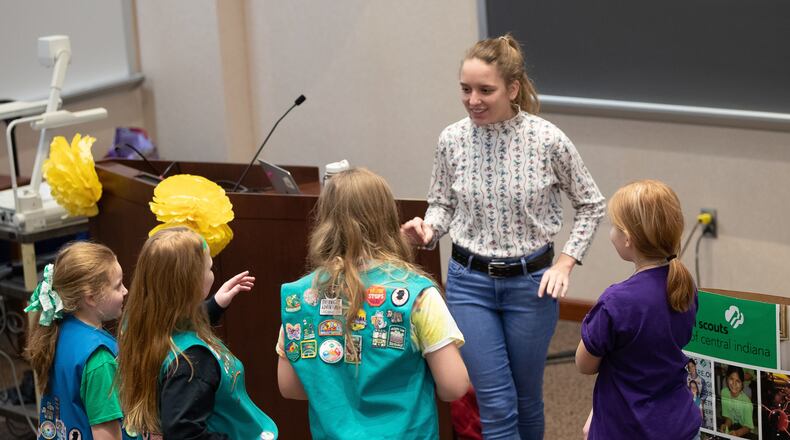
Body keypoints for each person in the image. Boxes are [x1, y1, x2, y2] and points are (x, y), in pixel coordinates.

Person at [400, 34, 605, 439]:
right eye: (465, 89)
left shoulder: (547, 139)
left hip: (530, 286)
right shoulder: (452, 139)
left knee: (527, 398)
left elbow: (591, 204)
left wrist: (567, 260)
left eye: (485, 90)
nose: (473, 99)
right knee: (494, 402)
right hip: (467, 283)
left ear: (512, 89)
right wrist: (427, 228)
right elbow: (442, 204)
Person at [277, 168, 469, 439]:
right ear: (388, 218)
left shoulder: (299, 298)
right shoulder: (417, 294)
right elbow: (454, 386)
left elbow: (291, 388)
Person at [117, 227, 278, 439]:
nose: (213, 274)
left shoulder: (135, 324)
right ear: (191, 284)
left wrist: (215, 304)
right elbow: (184, 433)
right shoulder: (193, 362)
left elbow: (170, 323)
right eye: (209, 268)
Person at [575, 179, 702, 439]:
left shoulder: (616, 301)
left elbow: (584, 364)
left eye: (613, 226)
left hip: (626, 427)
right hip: (677, 422)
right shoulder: (685, 286)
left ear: (628, 239)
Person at [24, 242, 132, 440]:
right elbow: (106, 435)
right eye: (118, 286)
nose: (125, 291)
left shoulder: (57, 330)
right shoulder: (99, 359)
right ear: (90, 298)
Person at [719, 366, 754, 437]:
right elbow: (729, 417)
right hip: (733, 429)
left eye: (738, 381)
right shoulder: (724, 393)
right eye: (731, 379)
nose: (734, 384)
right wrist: (726, 425)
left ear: (742, 383)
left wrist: (737, 433)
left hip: (744, 432)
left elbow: (748, 427)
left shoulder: (747, 402)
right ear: (726, 379)